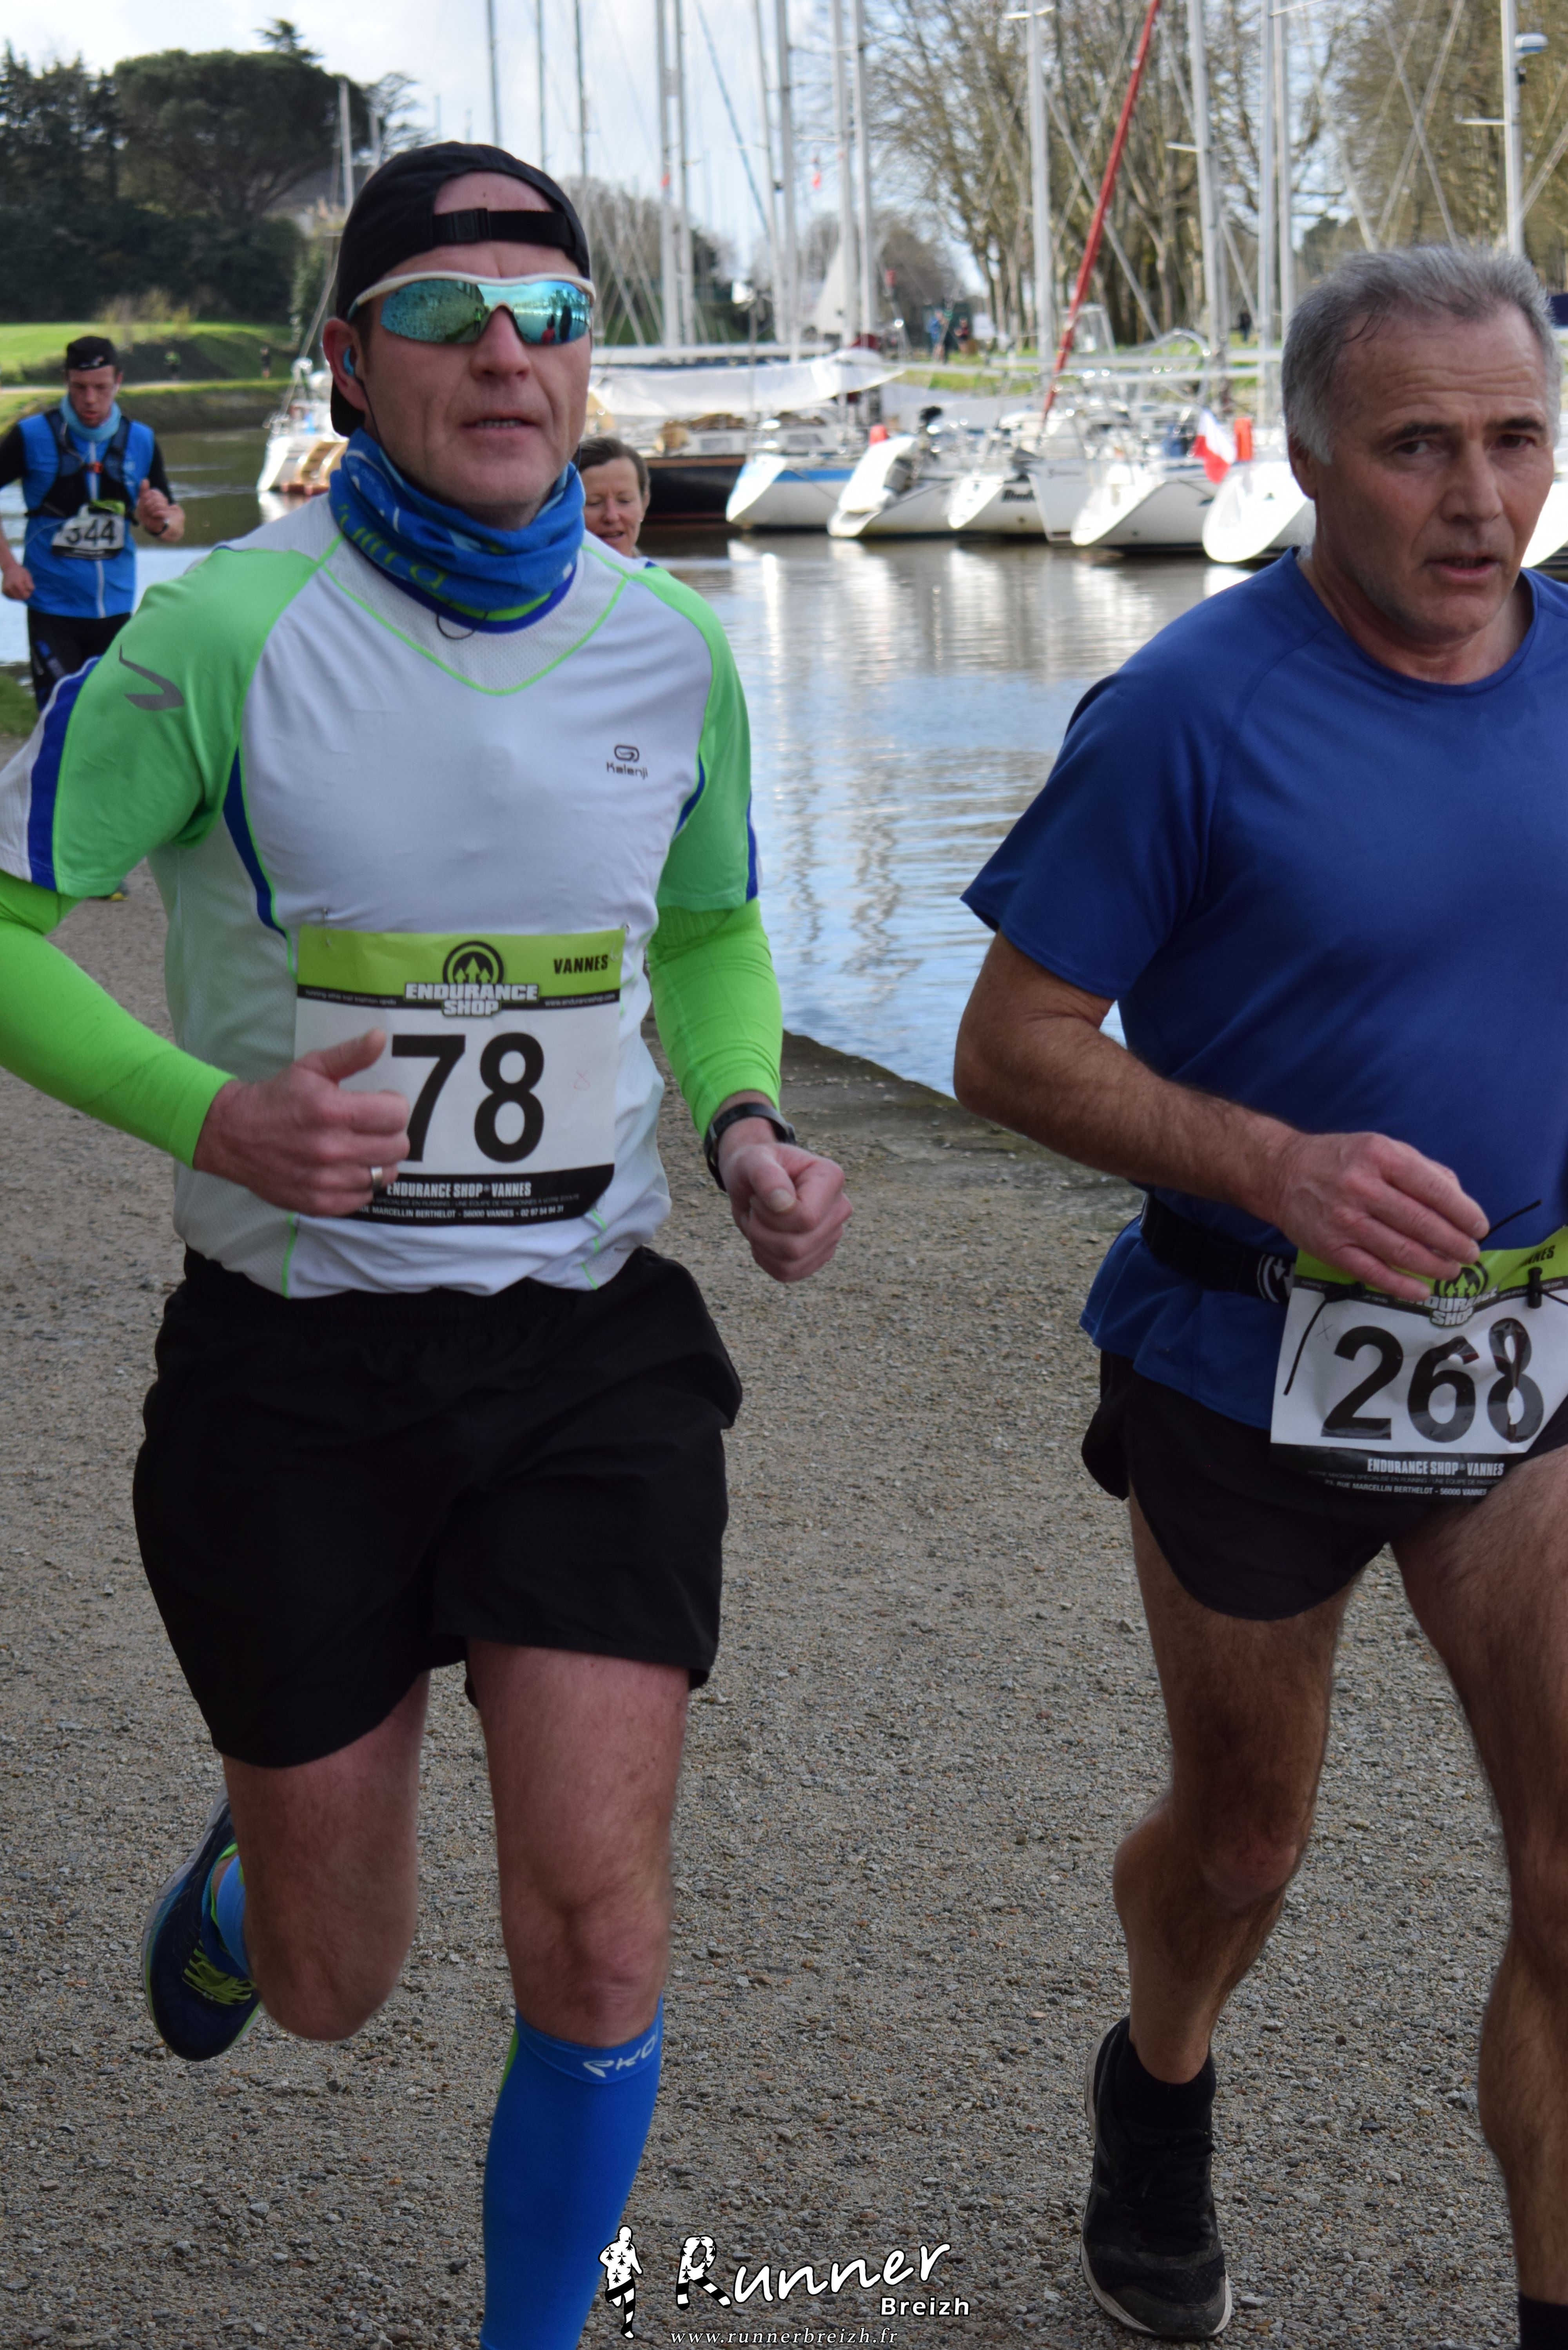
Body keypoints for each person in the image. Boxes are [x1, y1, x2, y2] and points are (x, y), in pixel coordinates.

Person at [0, 142, 849, 2349]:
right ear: (349, 362)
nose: (505, 352)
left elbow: (708, 930)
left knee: (599, 1932)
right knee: (334, 1978)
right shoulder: (218, 635)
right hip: (295, 1374)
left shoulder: (670, 647)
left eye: (549, 316)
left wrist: (745, 1117)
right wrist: (210, 1112)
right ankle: (251, 1879)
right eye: (448, 313)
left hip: (586, 1350)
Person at [955, 245, 1568, 2346]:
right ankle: (1158, 2080)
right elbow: (1009, 1045)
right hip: (1246, 1358)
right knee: (1244, 1845)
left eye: (1514, 440)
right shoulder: (1187, 712)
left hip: (1526, 1368)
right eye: (1416, 447)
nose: (1476, 498)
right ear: (1306, 459)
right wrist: (1276, 1162)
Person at [0, 334, 184, 710]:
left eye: (101, 388)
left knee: (110, 719)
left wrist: (159, 522)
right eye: (80, 387)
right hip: (53, 609)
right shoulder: (31, 436)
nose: (90, 400)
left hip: (115, 610)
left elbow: (175, 525)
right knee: (61, 717)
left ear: (118, 381)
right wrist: (9, 567)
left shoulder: (141, 440)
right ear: (66, 381)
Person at [578, 433, 652, 558]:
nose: (612, 516)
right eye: (594, 503)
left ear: (644, 504)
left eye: (625, 501)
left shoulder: (654, 571)